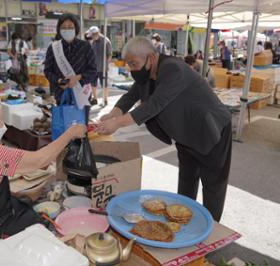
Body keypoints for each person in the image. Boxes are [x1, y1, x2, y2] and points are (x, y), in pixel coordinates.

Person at [96, 37, 232, 222]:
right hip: (185, 135)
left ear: (151, 58)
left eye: (133, 63)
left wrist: (117, 123)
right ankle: (180, 219)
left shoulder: (172, 69)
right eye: (128, 64)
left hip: (210, 131)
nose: (131, 69)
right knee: (187, 180)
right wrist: (113, 114)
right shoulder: (147, 74)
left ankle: (212, 232)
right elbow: (131, 95)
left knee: (213, 186)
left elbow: (154, 104)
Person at [0, 95, 87, 249]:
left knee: (23, 201)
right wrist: (71, 133)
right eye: (0, 119)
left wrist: (13, 195)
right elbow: (42, 159)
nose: (3, 124)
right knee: (40, 223)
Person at [44, 13, 97, 103]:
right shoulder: (53, 48)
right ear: (59, 29)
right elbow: (47, 71)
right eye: (64, 27)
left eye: (70, 27)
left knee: (81, 117)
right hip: (60, 94)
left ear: (76, 28)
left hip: (82, 94)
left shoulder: (85, 46)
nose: (67, 29)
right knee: (63, 116)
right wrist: (59, 80)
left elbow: (93, 70)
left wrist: (78, 78)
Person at [88, 26, 112, 106]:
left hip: (103, 67)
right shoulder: (92, 42)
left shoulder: (105, 41)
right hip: (93, 68)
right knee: (93, 84)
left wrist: (106, 64)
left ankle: (105, 100)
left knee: (104, 84)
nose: (91, 37)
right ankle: (95, 99)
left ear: (96, 33)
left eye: (92, 35)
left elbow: (109, 55)